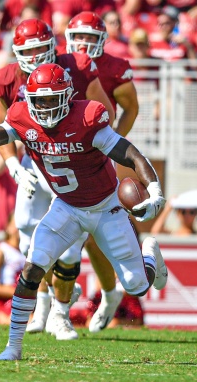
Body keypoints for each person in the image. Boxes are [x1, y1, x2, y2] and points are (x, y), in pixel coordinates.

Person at [0, 62, 169, 360]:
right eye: (39, 100)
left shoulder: (87, 118)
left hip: (104, 206)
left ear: (68, 97)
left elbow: (131, 154)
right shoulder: (22, 118)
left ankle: (149, 253)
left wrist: (155, 189)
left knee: (136, 286)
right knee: (32, 267)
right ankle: (13, 348)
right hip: (67, 207)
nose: (44, 107)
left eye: (51, 99)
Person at [0, 18, 116, 340]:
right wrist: (11, 165)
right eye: (27, 50)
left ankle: (60, 315)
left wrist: (90, 149)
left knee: (71, 242)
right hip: (34, 163)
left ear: (52, 47)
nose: (34, 57)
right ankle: (44, 306)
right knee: (26, 235)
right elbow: (0, 129)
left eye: (39, 49)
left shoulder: (76, 67)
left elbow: (105, 114)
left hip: (72, 162)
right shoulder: (8, 78)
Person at [65, 11, 141, 333]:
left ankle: (108, 295)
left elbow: (130, 107)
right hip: (62, 154)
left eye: (90, 38)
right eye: (78, 37)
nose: (83, 44)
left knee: (95, 237)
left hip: (95, 158)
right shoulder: (59, 61)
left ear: (102, 41)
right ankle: (51, 307)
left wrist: (114, 144)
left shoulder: (114, 67)